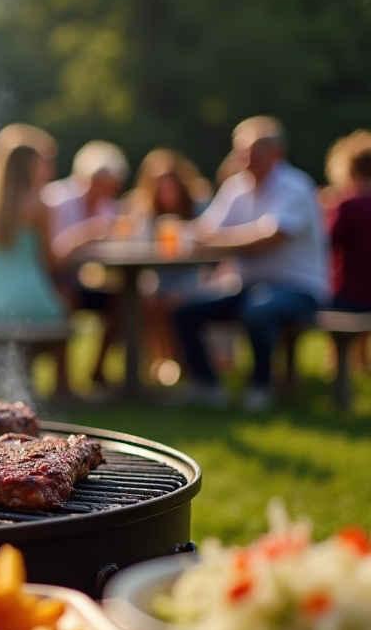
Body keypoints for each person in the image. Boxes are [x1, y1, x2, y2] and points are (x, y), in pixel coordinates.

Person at [172, 116, 330, 410]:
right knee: (183, 311)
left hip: (299, 288)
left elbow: (270, 237)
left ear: (276, 153)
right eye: (241, 151)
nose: (245, 159)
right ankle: (207, 386)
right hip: (248, 286)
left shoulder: (295, 186)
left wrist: (215, 240)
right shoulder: (237, 186)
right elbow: (205, 229)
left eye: (253, 152)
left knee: (258, 310)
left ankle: (261, 388)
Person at [0, 123, 73, 398]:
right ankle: (64, 386)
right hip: (28, 300)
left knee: (3, 335)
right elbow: (52, 262)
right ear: (29, 166)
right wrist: (81, 240)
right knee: (67, 303)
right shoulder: (39, 204)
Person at [121, 148, 213, 384]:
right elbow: (139, 248)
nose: (165, 192)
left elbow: (211, 239)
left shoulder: (199, 207)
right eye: (160, 187)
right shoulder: (147, 214)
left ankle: (179, 363)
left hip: (197, 279)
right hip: (161, 280)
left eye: (169, 185)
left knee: (166, 303)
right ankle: (164, 362)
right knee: (146, 302)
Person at [44, 140, 130, 387]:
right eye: (107, 186)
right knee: (66, 299)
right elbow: (51, 256)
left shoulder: (107, 206)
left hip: (77, 279)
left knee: (126, 300)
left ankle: (99, 371)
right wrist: (86, 234)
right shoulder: (56, 200)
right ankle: (62, 382)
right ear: (90, 178)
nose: (110, 193)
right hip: (51, 280)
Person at [323, 129, 371, 374]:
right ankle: (360, 364)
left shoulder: (348, 204)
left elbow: (326, 243)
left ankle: (338, 368)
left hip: (350, 294)